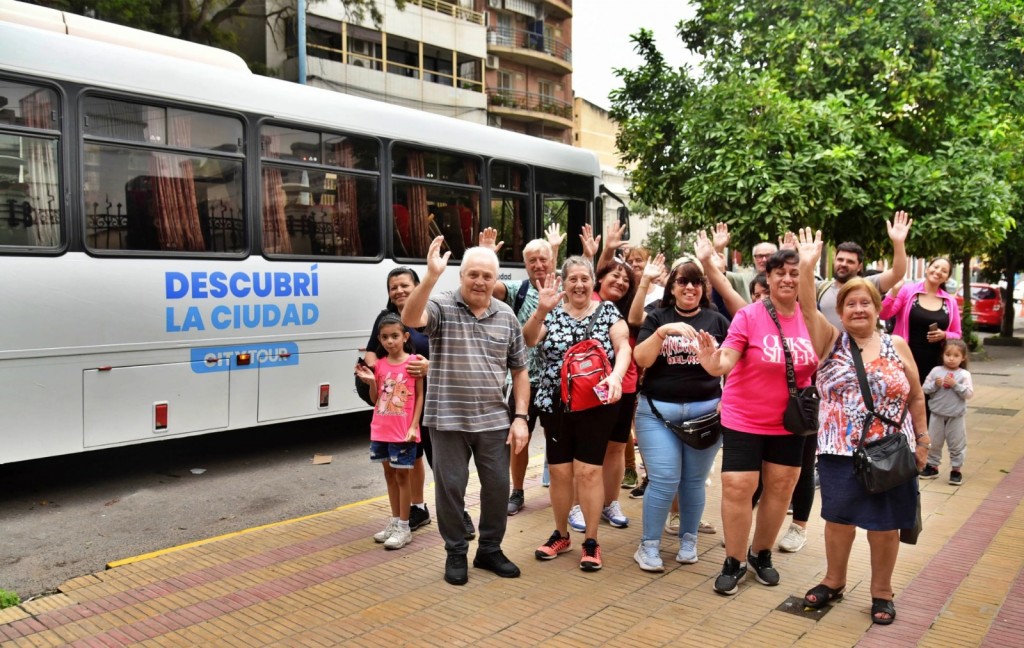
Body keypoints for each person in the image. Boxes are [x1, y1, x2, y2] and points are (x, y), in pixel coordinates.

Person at [794, 227, 928, 625]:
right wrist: (806, 267)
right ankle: (834, 581)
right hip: (839, 450)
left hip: (890, 451)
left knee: (885, 526)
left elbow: (916, 395)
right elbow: (804, 307)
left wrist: (922, 440)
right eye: (849, 303)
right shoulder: (829, 341)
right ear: (841, 309)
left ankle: (881, 593)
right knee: (838, 521)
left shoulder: (897, 345)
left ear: (877, 308)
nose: (857, 309)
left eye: (864, 303)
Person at [402, 237, 530, 586]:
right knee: (451, 489)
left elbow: (520, 370)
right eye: (473, 274)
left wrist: (520, 418)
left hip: (493, 420)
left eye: (487, 276)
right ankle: (455, 551)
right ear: (461, 276)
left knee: (497, 489)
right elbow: (410, 318)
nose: (479, 281)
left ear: (495, 278)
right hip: (447, 420)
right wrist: (429, 277)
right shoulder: (442, 305)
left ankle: (489, 549)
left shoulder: (506, 316)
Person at [696, 248, 817, 596]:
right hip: (744, 416)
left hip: (791, 421)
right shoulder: (749, 316)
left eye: (795, 273)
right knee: (738, 485)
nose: (788, 279)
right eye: (780, 272)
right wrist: (712, 363)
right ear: (769, 277)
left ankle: (761, 553)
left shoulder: (811, 318)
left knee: (781, 487)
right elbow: (726, 360)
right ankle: (733, 561)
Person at [524, 256, 632, 571]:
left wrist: (616, 377)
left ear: (592, 282)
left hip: (597, 405)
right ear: (565, 282)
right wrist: (542, 309)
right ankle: (561, 534)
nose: (579, 285)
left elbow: (623, 347)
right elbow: (529, 339)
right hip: (556, 405)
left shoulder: (609, 311)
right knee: (559, 472)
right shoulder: (551, 313)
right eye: (573, 279)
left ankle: (591, 540)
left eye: (584, 278)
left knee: (588, 472)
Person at [631, 256, 730, 572]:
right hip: (658, 412)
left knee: (693, 482)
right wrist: (662, 333)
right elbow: (641, 360)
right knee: (664, 479)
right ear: (671, 288)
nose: (690, 287)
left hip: (705, 415)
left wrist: (726, 398)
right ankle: (648, 546)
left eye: (696, 282)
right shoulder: (657, 317)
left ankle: (689, 540)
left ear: (704, 288)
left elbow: (733, 364)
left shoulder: (717, 321)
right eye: (683, 282)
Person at [486, 225, 563, 516]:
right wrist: (488, 257)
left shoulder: (565, 289)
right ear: (525, 264)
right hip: (523, 380)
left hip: (557, 381)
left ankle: (563, 492)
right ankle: (517, 491)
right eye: (532, 260)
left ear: (551, 260)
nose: (538, 264)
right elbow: (491, 287)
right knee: (519, 439)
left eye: (543, 259)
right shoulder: (518, 290)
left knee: (560, 441)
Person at [362, 268, 435, 533]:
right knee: (411, 457)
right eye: (393, 287)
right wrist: (376, 374)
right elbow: (372, 353)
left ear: (417, 285)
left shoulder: (431, 314)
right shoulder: (387, 319)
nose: (399, 291)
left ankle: (457, 511)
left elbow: (448, 353)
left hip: (432, 396)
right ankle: (416, 509)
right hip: (399, 403)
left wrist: (430, 367)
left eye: (404, 285)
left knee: (438, 457)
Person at [354, 313, 424, 550]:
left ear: (405, 336)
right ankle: (395, 522)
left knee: (403, 477)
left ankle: (404, 527)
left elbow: (420, 396)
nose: (389, 341)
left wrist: (414, 426)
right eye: (384, 337)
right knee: (389, 476)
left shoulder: (414, 362)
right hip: (381, 430)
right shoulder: (380, 365)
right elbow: (376, 400)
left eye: (395, 336)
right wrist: (372, 382)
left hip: (403, 431)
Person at [880, 257, 962, 420]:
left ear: (947, 277)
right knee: (901, 400)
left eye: (944, 271)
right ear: (927, 268)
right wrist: (894, 291)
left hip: (934, 363)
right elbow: (884, 313)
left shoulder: (949, 301)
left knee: (927, 404)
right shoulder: (908, 291)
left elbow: (957, 334)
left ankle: (923, 441)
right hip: (904, 358)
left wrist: (944, 335)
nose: (938, 272)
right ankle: (899, 440)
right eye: (935, 267)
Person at [815, 212, 912, 330]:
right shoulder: (820, 288)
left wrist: (898, 243)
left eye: (850, 261)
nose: (843, 264)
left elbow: (897, 272)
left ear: (859, 266)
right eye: (840, 259)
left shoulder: (869, 285)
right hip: (828, 348)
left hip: (864, 348)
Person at [920, 338, 973, 484]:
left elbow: (969, 394)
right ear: (942, 355)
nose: (951, 358)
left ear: (963, 358)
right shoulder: (936, 371)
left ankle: (956, 470)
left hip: (956, 416)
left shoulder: (964, 375)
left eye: (956, 355)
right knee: (934, 442)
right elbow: (925, 389)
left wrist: (956, 385)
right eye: (948, 354)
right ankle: (932, 466)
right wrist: (935, 385)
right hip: (937, 414)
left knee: (956, 443)